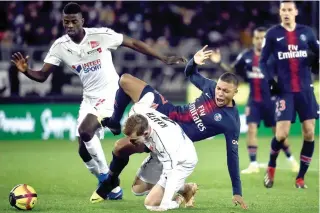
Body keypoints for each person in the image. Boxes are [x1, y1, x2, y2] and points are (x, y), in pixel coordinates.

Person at [10, 2, 186, 199]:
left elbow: (134, 43)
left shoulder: (101, 35)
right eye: (66, 22)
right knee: (83, 151)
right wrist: (26, 71)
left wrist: (163, 58)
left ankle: (107, 178)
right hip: (89, 99)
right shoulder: (60, 46)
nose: (69, 25)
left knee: (85, 130)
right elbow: (42, 75)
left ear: (82, 21)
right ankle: (114, 190)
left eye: (73, 21)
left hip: (111, 95)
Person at [94, 46, 248, 209]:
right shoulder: (210, 87)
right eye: (219, 88)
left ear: (235, 92)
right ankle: (114, 123)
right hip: (168, 111)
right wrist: (193, 62)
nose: (220, 93)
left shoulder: (231, 122)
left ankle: (181, 188)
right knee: (125, 80)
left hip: (171, 136)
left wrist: (237, 191)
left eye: (226, 91)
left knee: (121, 151)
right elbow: (190, 74)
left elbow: (233, 157)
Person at [209, 27, 299, 174]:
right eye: (257, 38)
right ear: (253, 39)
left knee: (278, 133)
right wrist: (219, 63)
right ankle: (253, 164)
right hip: (254, 102)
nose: (259, 41)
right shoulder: (246, 56)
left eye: (262, 38)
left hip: (272, 101)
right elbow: (232, 71)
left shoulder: (274, 56)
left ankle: (291, 160)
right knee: (251, 130)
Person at [92, 92, 198, 211]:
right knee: (137, 189)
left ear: (146, 133)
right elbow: (149, 95)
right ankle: (182, 188)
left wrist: (165, 204)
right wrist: (151, 104)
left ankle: (181, 196)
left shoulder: (164, 142)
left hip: (182, 160)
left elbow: (171, 174)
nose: (130, 142)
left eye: (134, 140)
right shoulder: (137, 111)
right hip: (160, 155)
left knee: (151, 204)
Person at [260, 0, 319, 188]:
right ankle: (271, 167)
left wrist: (316, 62)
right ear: (280, 12)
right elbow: (262, 61)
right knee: (282, 134)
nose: (286, 13)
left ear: (296, 12)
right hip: (284, 91)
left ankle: (300, 178)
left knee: (309, 132)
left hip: (305, 90)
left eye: (289, 10)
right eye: (283, 10)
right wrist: (270, 81)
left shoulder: (307, 32)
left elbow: (318, 55)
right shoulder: (272, 34)